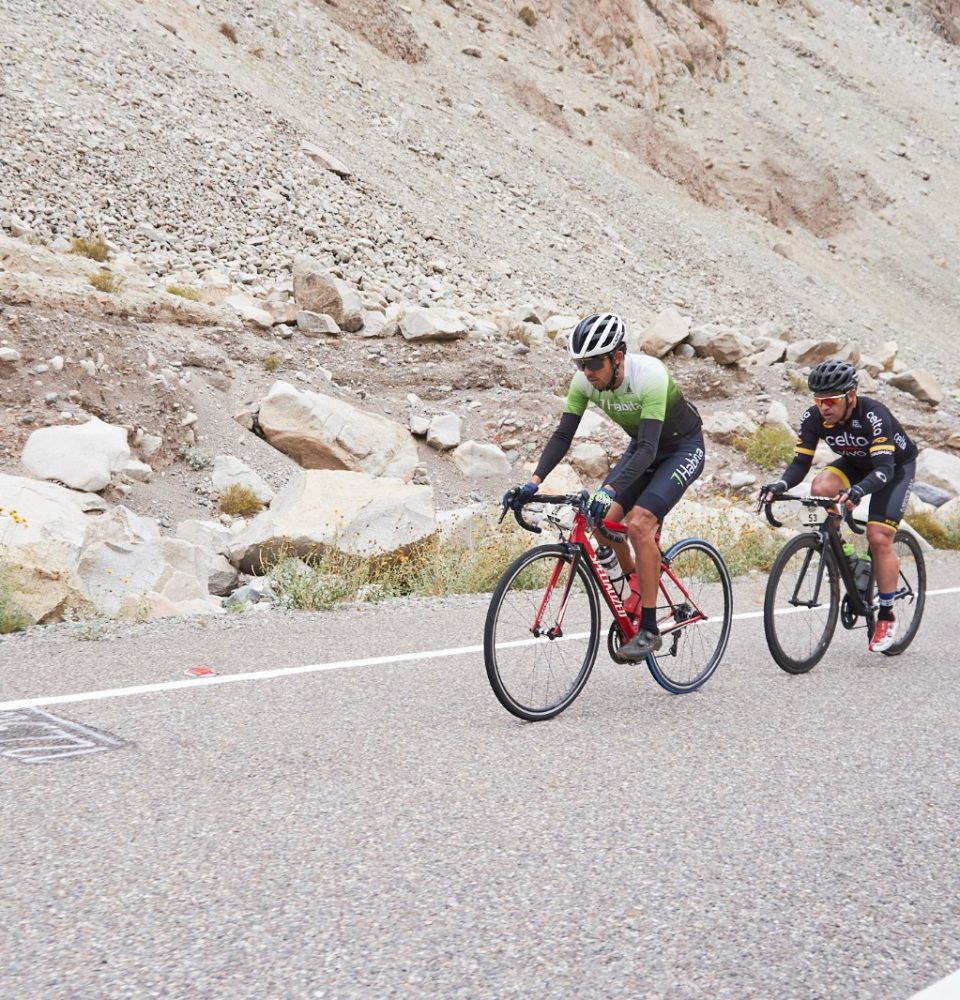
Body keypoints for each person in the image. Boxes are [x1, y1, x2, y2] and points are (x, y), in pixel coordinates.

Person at [503, 312, 705, 661]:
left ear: (617, 357)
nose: (587, 372)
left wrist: (608, 489)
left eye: (594, 363)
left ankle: (649, 629)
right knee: (600, 520)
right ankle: (635, 584)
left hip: (680, 448)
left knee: (640, 524)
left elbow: (649, 449)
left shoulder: (651, 376)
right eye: (581, 364)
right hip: (642, 447)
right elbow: (563, 435)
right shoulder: (584, 383)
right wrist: (532, 483)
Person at [761, 359, 917, 653]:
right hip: (858, 464)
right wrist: (780, 486)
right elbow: (800, 464)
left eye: (831, 400)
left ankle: (886, 613)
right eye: (819, 400)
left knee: (879, 536)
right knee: (821, 488)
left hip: (893, 467)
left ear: (851, 395)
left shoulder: (874, 415)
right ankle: (845, 554)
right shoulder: (813, 418)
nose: (824, 407)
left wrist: (858, 491)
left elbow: (883, 470)